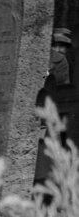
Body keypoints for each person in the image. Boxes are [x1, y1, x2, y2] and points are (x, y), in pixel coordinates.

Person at [35, 26, 76, 184]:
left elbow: (63, 90)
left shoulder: (62, 62)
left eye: (63, 46)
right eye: (56, 45)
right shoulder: (40, 55)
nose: (59, 49)